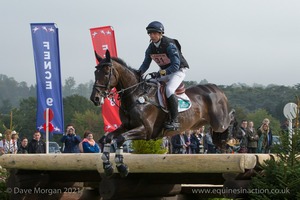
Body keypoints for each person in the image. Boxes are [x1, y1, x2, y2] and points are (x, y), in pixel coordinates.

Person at [139, 21, 189, 130]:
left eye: (154, 33)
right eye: (150, 34)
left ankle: (174, 121)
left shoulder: (169, 45)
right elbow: (145, 64)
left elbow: (175, 65)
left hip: (178, 71)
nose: (152, 36)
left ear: (161, 33)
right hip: (165, 71)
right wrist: (138, 74)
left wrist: (162, 73)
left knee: (169, 90)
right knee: (150, 84)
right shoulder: (150, 48)